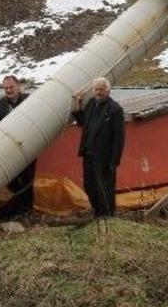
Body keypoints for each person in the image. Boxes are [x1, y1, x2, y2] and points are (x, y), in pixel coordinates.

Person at [72, 77, 125, 233]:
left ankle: (107, 217)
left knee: (105, 189)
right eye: (96, 89)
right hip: (88, 154)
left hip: (104, 157)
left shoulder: (115, 109)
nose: (98, 92)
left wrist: (114, 161)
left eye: (101, 89)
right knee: (89, 187)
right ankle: (98, 213)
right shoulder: (91, 104)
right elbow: (82, 122)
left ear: (108, 90)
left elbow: (119, 138)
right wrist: (78, 104)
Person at [0, 75, 35, 218]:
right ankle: (17, 208)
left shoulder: (31, 100)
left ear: (18, 86)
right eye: (6, 88)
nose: (9, 90)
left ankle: (27, 211)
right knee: (11, 181)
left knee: (28, 180)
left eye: (11, 87)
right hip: (8, 151)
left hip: (28, 147)